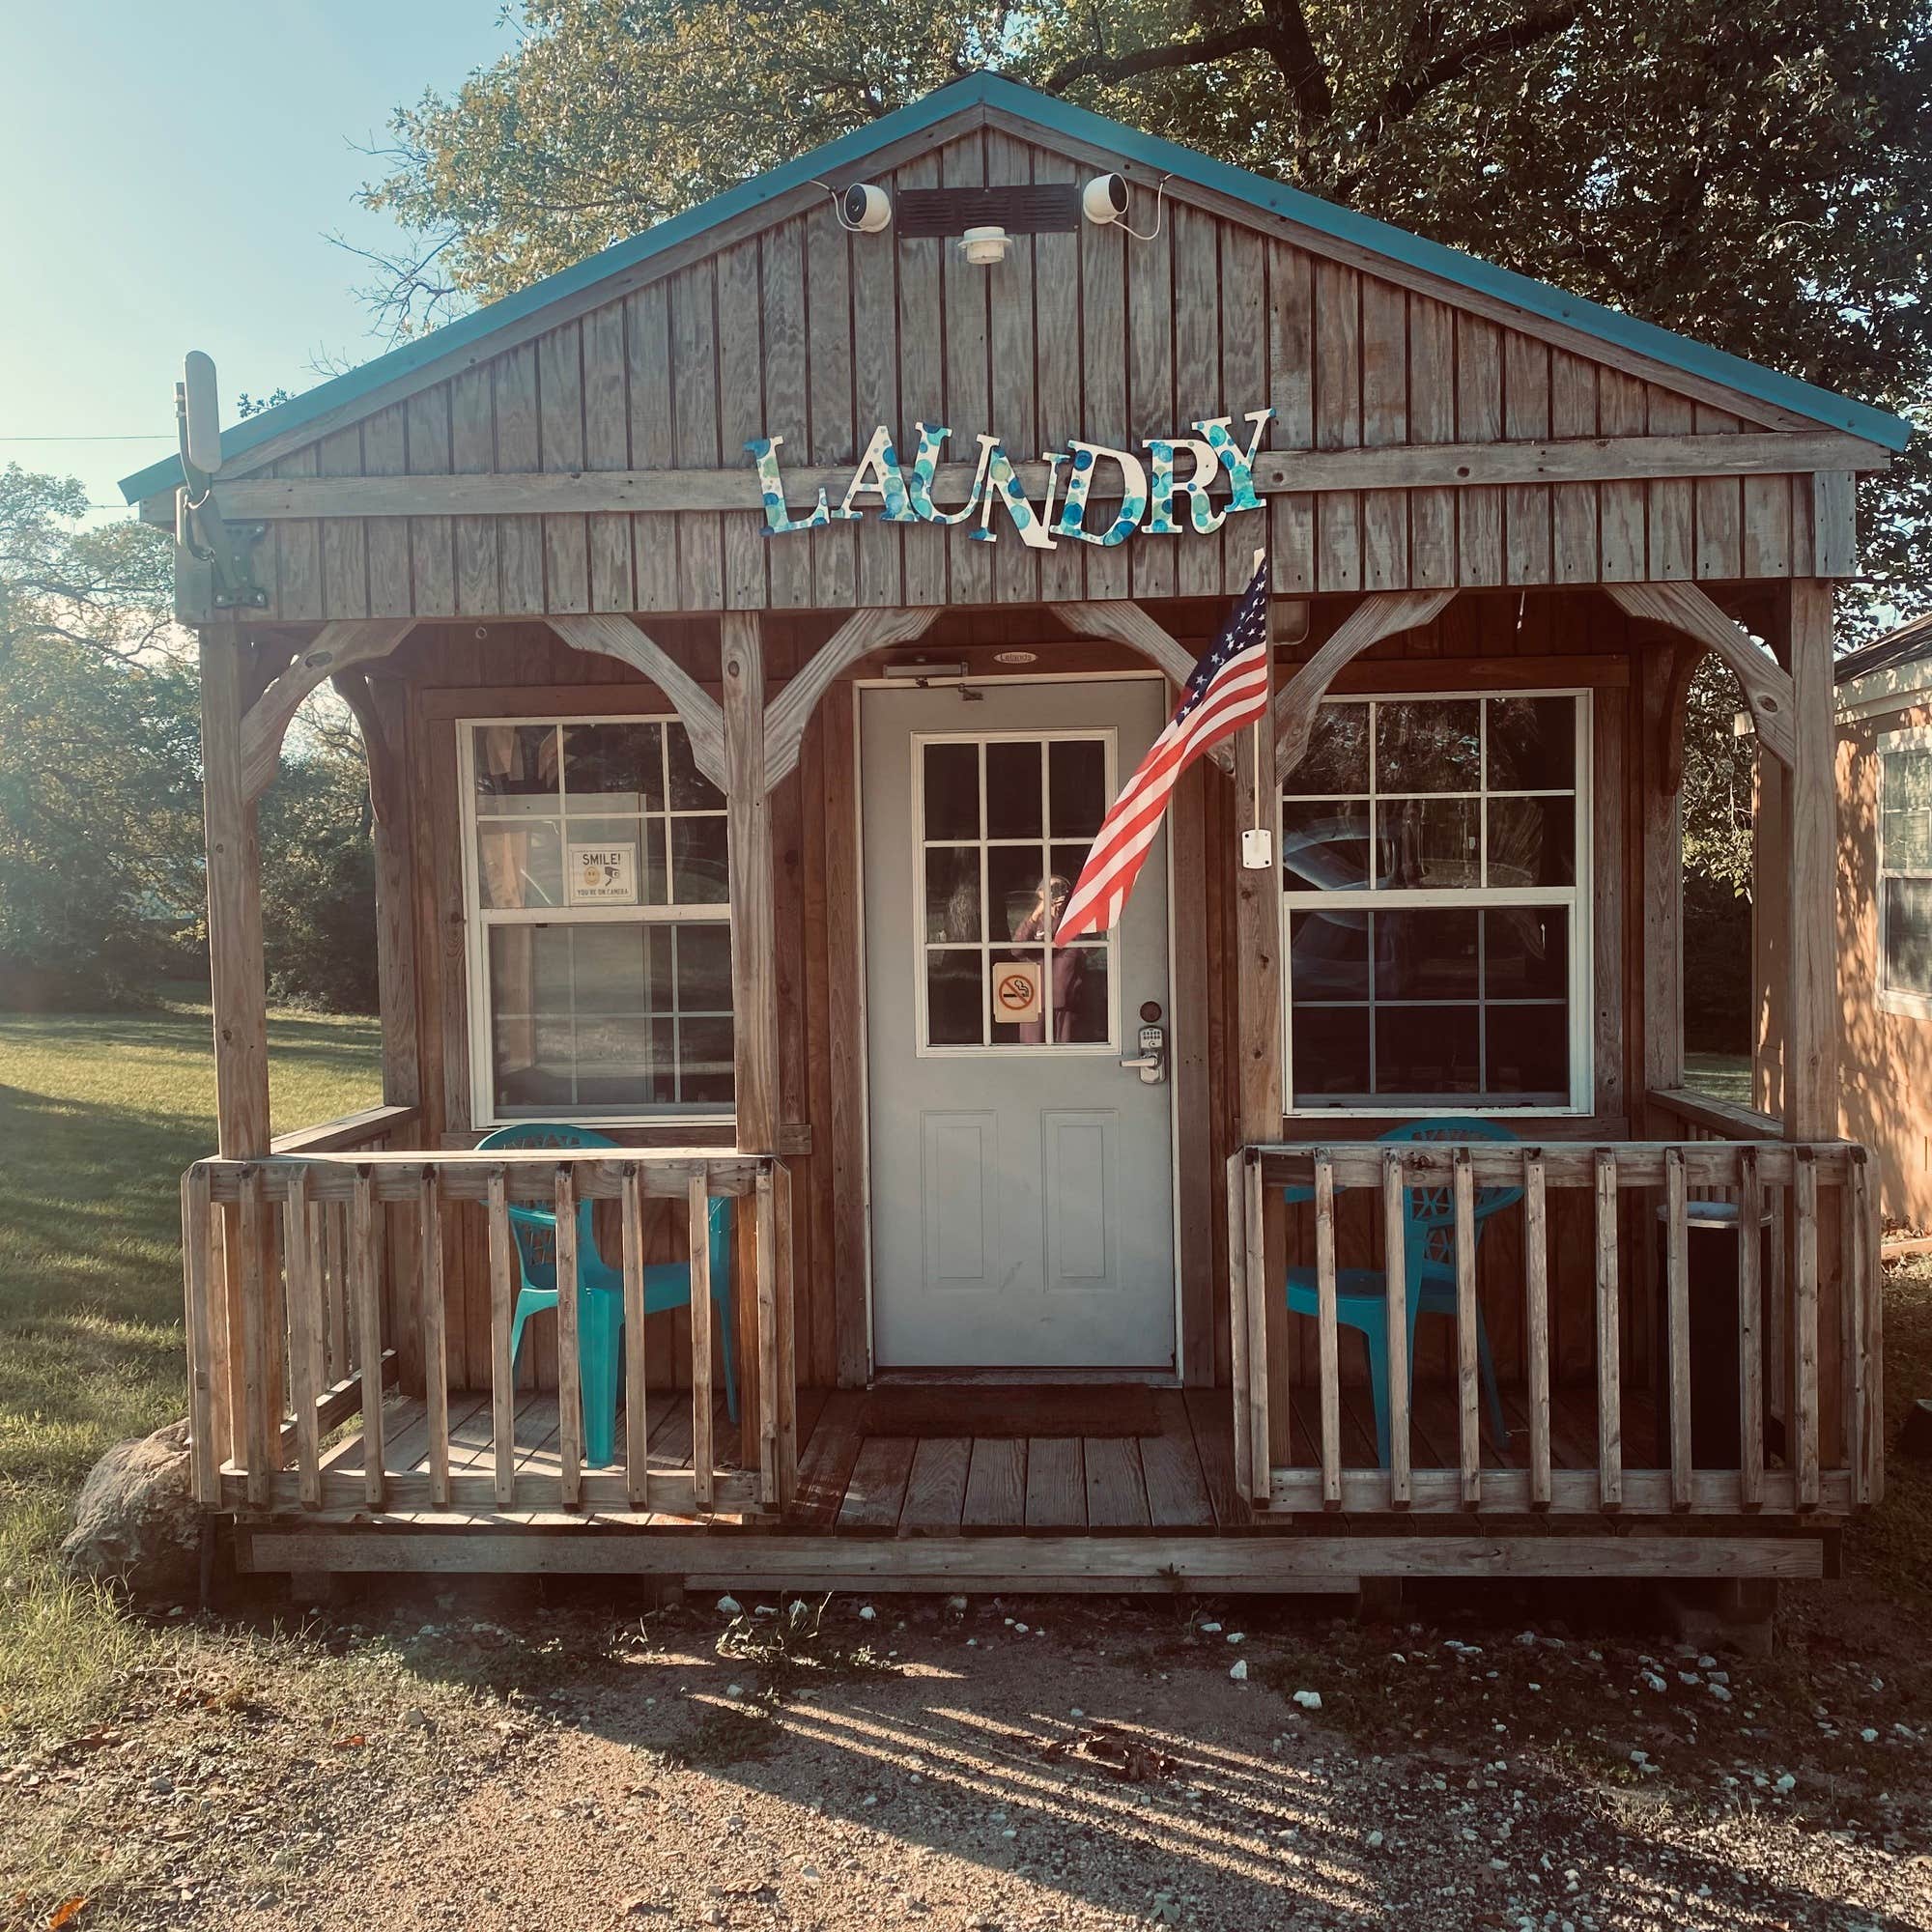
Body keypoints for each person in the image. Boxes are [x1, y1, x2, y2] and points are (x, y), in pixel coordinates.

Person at [1009, 873, 1088, 1043]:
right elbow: (1016, 949)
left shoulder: (1074, 921)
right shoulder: (1033, 922)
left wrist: (1073, 916)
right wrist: (1037, 913)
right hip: (1033, 1001)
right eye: (1050, 889)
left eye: (1061, 889)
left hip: (1066, 1002)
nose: (1056, 894)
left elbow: (1091, 948)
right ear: (1040, 893)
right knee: (1032, 1053)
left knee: (1066, 1054)